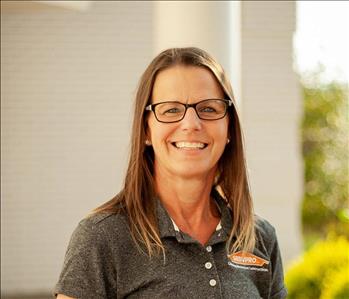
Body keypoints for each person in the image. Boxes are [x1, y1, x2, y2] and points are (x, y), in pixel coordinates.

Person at [54, 47, 287, 299]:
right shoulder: (101, 238)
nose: (191, 124)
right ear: (146, 130)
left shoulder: (260, 237)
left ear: (229, 126)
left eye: (208, 108)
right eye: (171, 110)